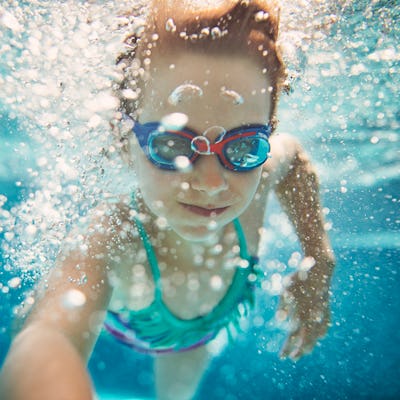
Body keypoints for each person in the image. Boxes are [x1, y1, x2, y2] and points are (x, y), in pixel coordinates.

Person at [0, 0, 335, 399]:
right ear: (127, 144)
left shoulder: (261, 177)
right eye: (172, 143)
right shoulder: (115, 235)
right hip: (146, 322)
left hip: (201, 334)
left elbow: (293, 159)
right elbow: (47, 337)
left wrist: (320, 261)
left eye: (244, 146)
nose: (212, 182)